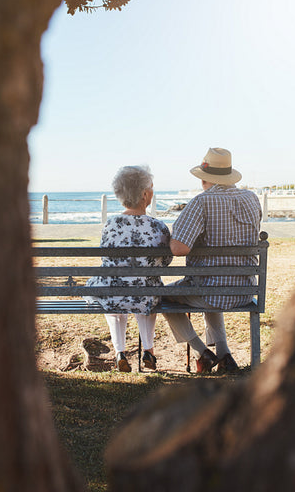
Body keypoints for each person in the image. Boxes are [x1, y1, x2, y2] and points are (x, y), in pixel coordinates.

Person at [164, 147, 262, 374]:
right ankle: (225, 355)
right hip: (245, 290)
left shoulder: (202, 202)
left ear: (203, 178)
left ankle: (202, 352)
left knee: (164, 298)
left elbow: (179, 248)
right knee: (213, 285)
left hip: (210, 290)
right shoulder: (252, 199)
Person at [85, 165, 171, 372]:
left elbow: (106, 257)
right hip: (146, 294)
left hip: (114, 292)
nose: (152, 191)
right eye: (151, 187)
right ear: (144, 194)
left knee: (113, 296)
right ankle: (148, 351)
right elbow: (166, 260)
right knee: (144, 294)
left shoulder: (111, 224)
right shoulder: (158, 226)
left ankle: (120, 353)